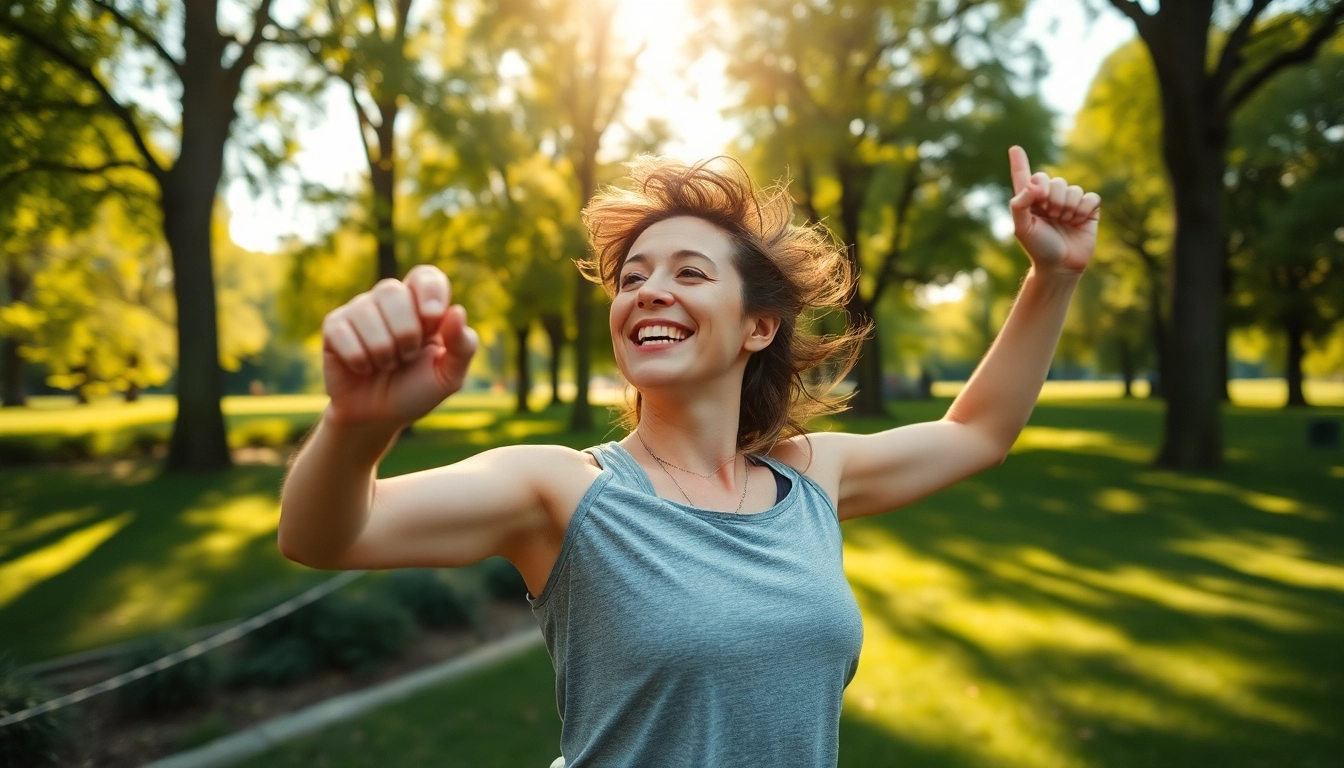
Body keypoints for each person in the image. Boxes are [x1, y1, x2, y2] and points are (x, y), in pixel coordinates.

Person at [276, 146, 1100, 767]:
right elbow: (329, 536)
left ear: (758, 326)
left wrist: (1052, 276)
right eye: (632, 277)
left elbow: (978, 434)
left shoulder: (811, 477)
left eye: (689, 271)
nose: (648, 290)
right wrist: (356, 428)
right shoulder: (563, 491)